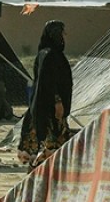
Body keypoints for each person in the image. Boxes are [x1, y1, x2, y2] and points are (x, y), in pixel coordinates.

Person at [17, 20, 73, 171]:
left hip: (45, 109)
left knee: (53, 151)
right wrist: (57, 102)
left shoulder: (48, 54)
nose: (65, 36)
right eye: (62, 33)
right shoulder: (49, 56)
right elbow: (48, 82)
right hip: (48, 110)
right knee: (48, 148)